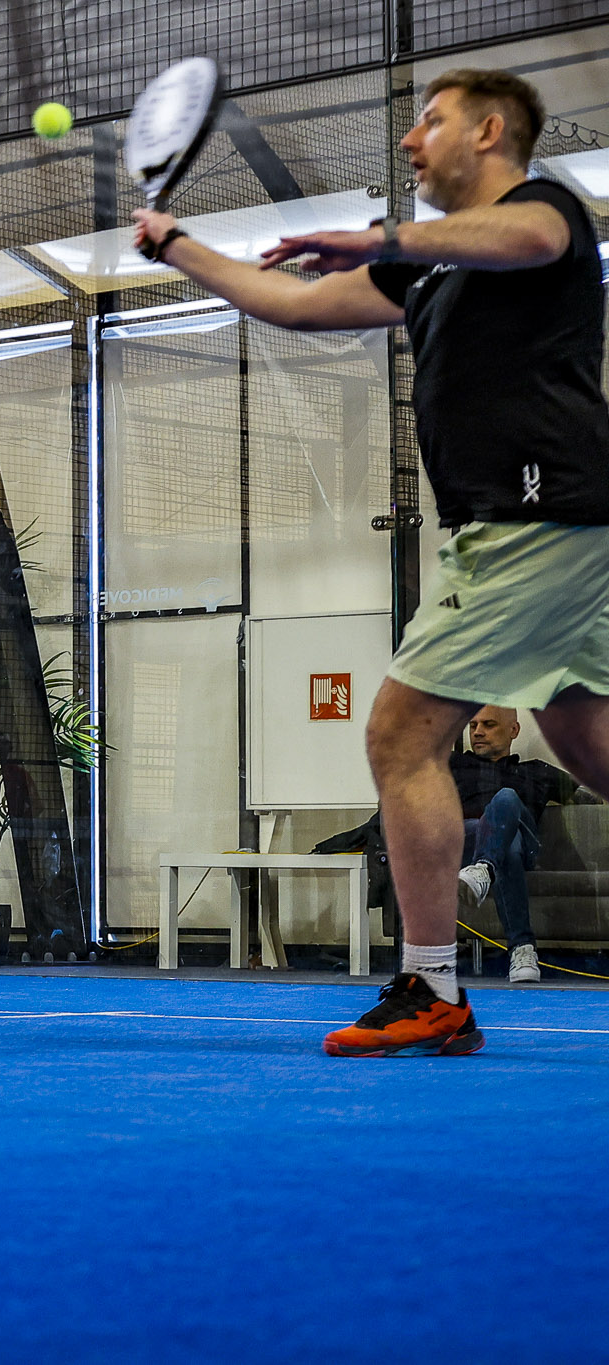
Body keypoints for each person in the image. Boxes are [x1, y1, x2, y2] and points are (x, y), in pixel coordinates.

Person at [135, 69, 609, 1055]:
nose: (406, 142)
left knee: (400, 734)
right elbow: (292, 305)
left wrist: (380, 238)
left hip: (532, 514)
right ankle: (431, 992)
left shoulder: (541, 209)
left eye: (425, 122)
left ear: (487, 132)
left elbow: (528, 241)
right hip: (563, 528)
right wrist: (177, 245)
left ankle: (429, 991)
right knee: (590, 744)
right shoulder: (428, 268)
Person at [452, 705, 587, 983]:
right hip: (467, 844)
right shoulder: (453, 766)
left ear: (513, 730)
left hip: (527, 847)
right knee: (505, 845)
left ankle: (483, 870)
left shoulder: (537, 771)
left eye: (489, 725)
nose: (477, 732)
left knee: (506, 798)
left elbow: (591, 796)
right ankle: (522, 949)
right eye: (473, 725)